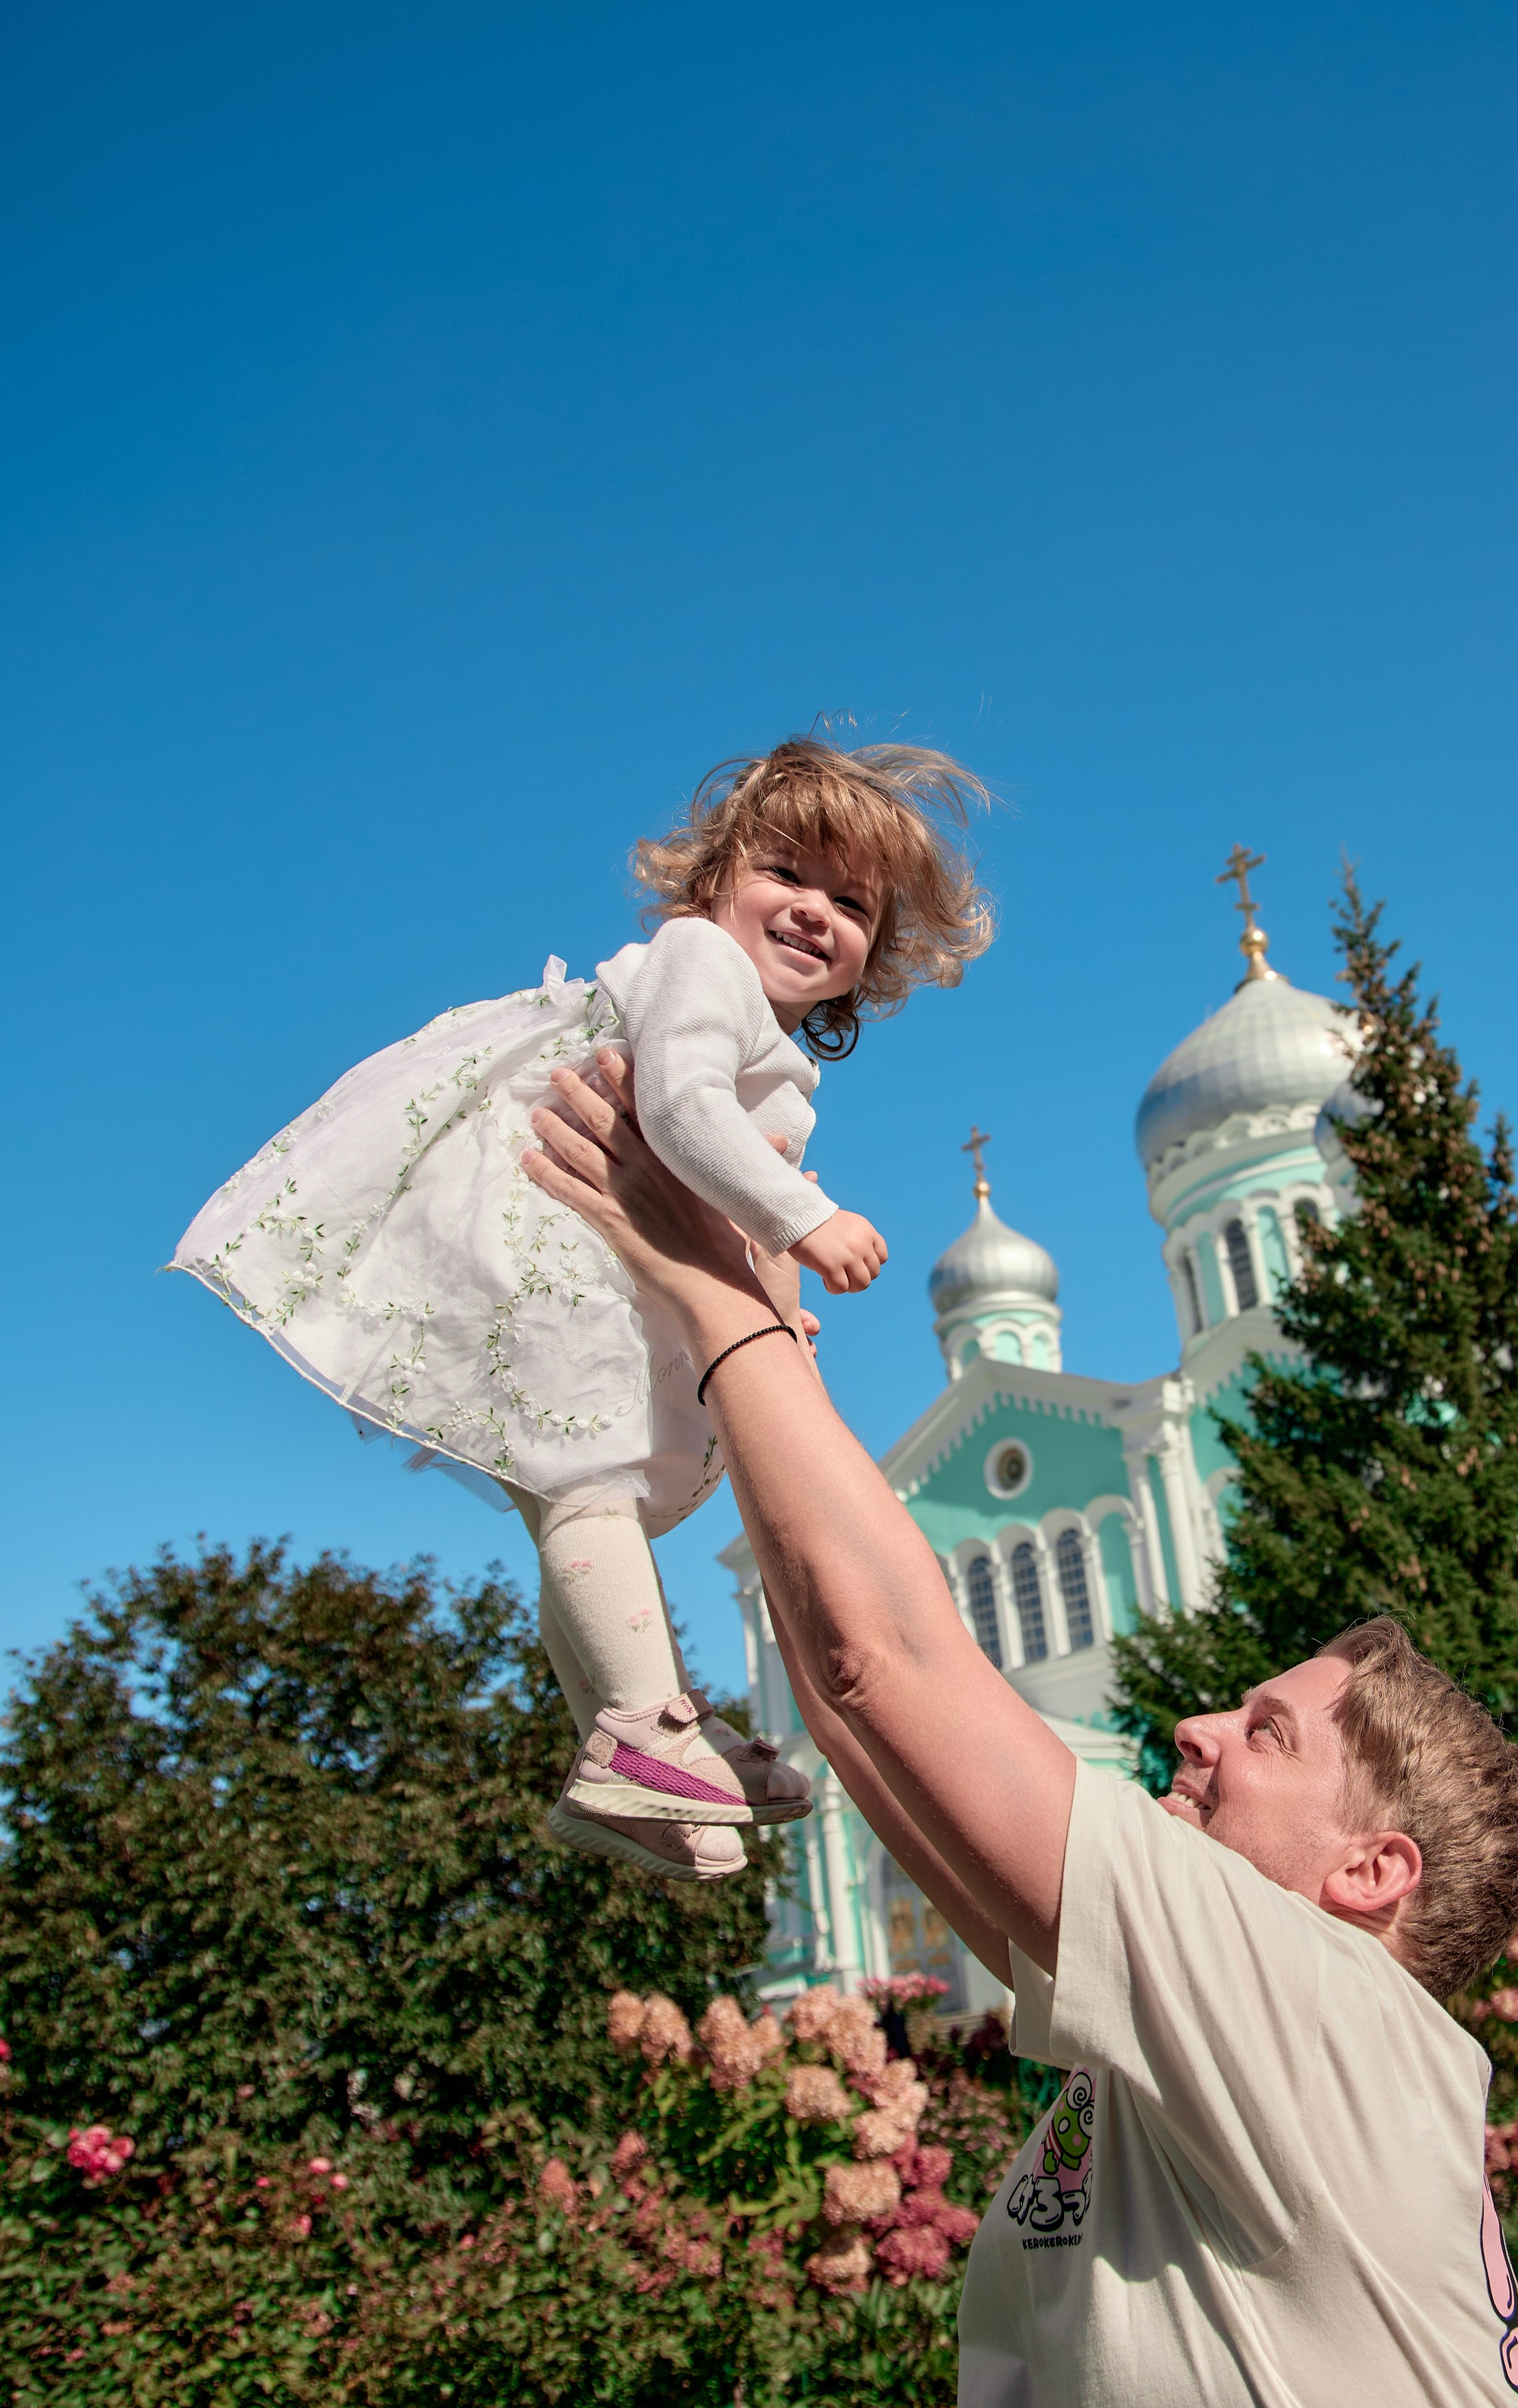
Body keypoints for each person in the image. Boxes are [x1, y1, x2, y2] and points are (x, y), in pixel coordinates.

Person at [522, 1053, 1518, 2408]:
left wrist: (703, 1266)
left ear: (1368, 1873)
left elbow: (891, 1662)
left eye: (1264, 1731)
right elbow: (857, 1703)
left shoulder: (1326, 2012)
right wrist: (727, 1320)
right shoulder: (1222, 2060)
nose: (1198, 1724)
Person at [172, 732, 992, 1879]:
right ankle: (646, 1729)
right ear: (712, 883)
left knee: (566, 1502)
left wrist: (770, 1292)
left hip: (585, 1269)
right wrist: (807, 1222)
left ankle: (629, 1740)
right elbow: (683, 1110)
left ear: (873, 957)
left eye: (852, 902)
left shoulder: (744, 1006)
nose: (815, 910)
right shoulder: (703, 960)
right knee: (588, 1489)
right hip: (565, 1261)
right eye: (788, 875)